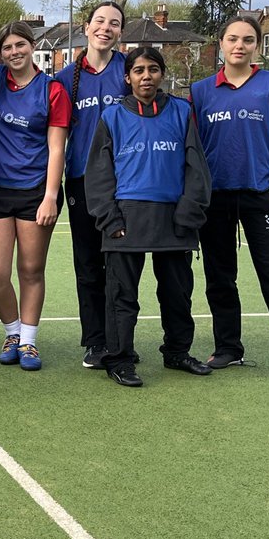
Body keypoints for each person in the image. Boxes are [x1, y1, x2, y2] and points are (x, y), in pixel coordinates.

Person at [191, 16, 269, 381]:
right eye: (233, 39)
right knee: (219, 277)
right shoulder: (201, 91)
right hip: (215, 197)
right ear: (221, 43)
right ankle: (228, 347)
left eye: (248, 40)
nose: (240, 46)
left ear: (257, 46)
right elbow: (195, 146)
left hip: (260, 195)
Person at [85, 46, 212, 386]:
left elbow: (196, 168)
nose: (146, 76)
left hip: (174, 219)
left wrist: (189, 213)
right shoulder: (112, 116)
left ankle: (176, 351)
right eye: (138, 70)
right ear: (127, 77)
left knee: (177, 292)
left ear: (162, 74)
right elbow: (99, 174)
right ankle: (120, 358)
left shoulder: (182, 112)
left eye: (153, 69)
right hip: (127, 219)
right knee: (122, 296)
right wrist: (110, 219)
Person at [0, 21, 70, 371]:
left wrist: (50, 195)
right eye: (7, 48)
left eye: (20, 45)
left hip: (36, 190)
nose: (14, 52)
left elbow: (56, 147)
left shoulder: (52, 90)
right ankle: (12, 331)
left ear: (32, 46)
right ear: (0, 53)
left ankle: (29, 342)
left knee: (31, 269)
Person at [55, 1, 128, 369]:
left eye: (114, 23)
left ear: (120, 32)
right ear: (86, 27)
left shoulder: (130, 71)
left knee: (119, 265)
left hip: (125, 184)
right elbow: (57, 136)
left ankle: (120, 339)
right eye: (100, 21)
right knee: (88, 264)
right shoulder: (66, 78)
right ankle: (95, 342)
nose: (106, 28)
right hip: (82, 182)